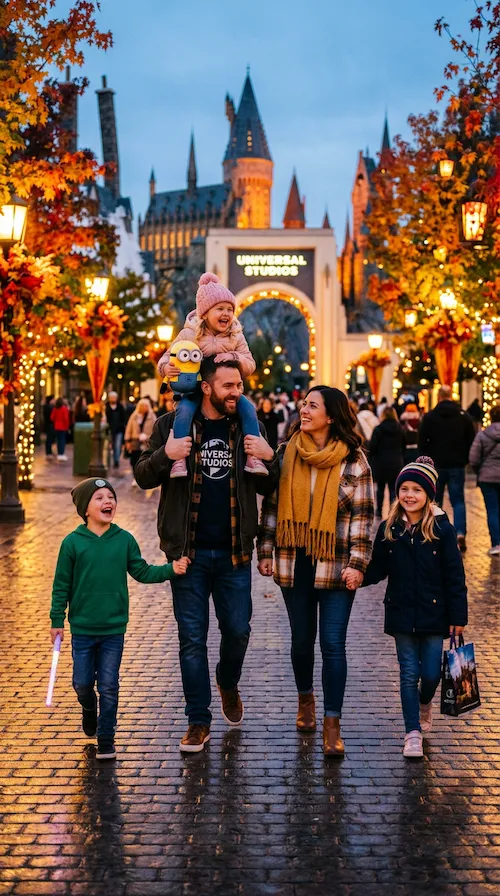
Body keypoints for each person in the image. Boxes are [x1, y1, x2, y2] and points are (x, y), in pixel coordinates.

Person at [135, 357, 279, 753]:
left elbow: (273, 486)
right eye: (228, 385)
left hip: (234, 553)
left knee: (238, 631)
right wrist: (168, 453)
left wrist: (269, 455)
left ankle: (227, 680)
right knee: (191, 640)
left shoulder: (250, 427)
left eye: (239, 386)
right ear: (206, 387)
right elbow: (143, 474)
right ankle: (198, 719)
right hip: (189, 555)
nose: (237, 392)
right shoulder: (171, 424)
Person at [257, 386, 374, 757]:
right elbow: (272, 507)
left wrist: (358, 564)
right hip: (295, 562)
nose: (303, 410)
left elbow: (362, 517)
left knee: (333, 645)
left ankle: (331, 723)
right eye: (303, 404)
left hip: (338, 566)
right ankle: (305, 700)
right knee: (301, 641)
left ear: (331, 415)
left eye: (312, 405)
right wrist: (265, 549)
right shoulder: (287, 453)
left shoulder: (354, 461)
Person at [49, 477, 189, 759]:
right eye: (99, 498)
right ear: (85, 509)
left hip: (114, 629)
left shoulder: (124, 540)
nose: (107, 502)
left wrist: (170, 569)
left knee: (110, 685)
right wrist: (56, 621)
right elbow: (61, 584)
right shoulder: (72, 543)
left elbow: (142, 571)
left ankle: (106, 737)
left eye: (110, 497)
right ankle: (89, 708)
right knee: (82, 683)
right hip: (83, 630)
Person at [363, 456, 467, 758]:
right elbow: (378, 569)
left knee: (432, 673)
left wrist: (458, 617)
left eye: (417, 490)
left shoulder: (442, 530)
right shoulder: (390, 529)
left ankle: (425, 702)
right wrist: (355, 575)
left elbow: (454, 576)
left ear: (429, 495)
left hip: (435, 615)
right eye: (404, 489)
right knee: (409, 672)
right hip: (400, 613)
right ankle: (412, 733)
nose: (409, 495)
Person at [157, 272, 266, 479]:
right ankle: (178, 459)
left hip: (225, 391)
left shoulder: (236, 336)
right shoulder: (189, 334)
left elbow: (250, 364)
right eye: (220, 309)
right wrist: (166, 369)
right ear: (205, 313)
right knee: (184, 412)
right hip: (195, 388)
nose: (226, 314)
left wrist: (233, 356)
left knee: (249, 410)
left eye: (230, 309)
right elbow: (166, 357)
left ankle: (254, 457)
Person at [418, 385, 475, 552]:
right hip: (457, 464)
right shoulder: (463, 417)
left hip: (435, 466)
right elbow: (471, 440)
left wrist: (426, 460)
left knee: (435, 501)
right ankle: (459, 533)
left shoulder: (430, 417)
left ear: (439, 397)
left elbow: (422, 441)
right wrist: (464, 458)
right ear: (451, 396)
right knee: (458, 500)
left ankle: (436, 533)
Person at [469, 404, 500, 555]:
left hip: (487, 478)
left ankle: (497, 543)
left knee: (493, 510)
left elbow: (473, 458)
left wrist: (480, 471)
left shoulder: (482, 435)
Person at [369, 407, 406, 517]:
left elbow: (372, 447)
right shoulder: (400, 429)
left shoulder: (378, 429)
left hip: (381, 462)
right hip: (396, 462)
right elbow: (404, 446)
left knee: (380, 488)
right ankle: (393, 510)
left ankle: (379, 510)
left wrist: (372, 459)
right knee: (393, 489)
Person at [124, 398, 156, 477]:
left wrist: (148, 437)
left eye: (145, 406)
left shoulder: (152, 416)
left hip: (146, 442)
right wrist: (127, 441)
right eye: (142, 406)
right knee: (134, 460)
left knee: (145, 459)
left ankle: (143, 475)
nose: (143, 408)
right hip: (135, 441)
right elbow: (129, 428)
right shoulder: (134, 415)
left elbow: (155, 429)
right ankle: (135, 476)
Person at [106, 392, 126, 469]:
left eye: (114, 398)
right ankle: (108, 461)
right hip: (109, 430)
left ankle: (116, 460)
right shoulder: (106, 406)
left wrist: (122, 425)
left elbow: (123, 418)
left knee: (117, 445)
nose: (113, 399)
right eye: (111, 398)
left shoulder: (120, 407)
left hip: (119, 430)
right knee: (110, 446)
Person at [51, 397, 70, 461]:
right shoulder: (64, 409)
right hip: (63, 427)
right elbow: (66, 418)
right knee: (62, 440)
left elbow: (52, 418)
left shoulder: (55, 409)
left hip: (56, 426)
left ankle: (59, 453)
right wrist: (67, 427)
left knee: (58, 441)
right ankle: (61, 454)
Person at [43, 395, 55, 459]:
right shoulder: (49, 407)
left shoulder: (49, 407)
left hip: (49, 424)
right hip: (49, 424)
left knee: (49, 438)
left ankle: (49, 451)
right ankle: (48, 452)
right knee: (49, 439)